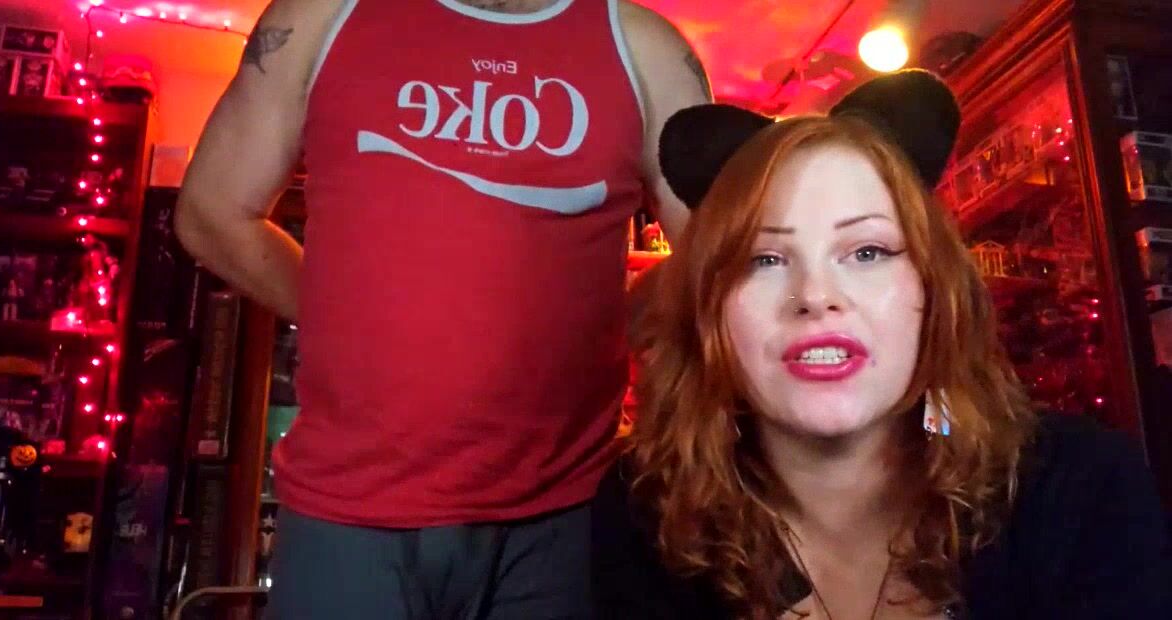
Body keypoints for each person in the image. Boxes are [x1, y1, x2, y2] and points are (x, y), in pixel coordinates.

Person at [173, 0, 711, 617]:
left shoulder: (644, 48)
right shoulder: (322, 16)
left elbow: (720, 252)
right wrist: (351, 314)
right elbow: (211, 214)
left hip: (563, 519)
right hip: (344, 510)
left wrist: (602, 327)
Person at [591, 70, 1172, 619]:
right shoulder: (647, 519)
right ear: (708, 311)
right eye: (762, 259)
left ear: (934, 287)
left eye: (867, 252)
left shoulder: (1081, 488)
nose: (815, 296)